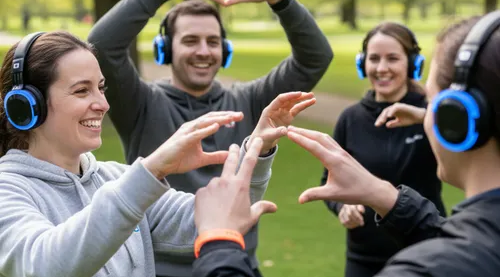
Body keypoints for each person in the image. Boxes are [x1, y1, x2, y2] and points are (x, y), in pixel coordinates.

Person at [189, 11, 500, 277]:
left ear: (456, 118)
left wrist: (219, 241)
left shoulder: (426, 268)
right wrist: (385, 197)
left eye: (433, 103)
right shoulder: (477, 246)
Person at [0, 30, 316, 277]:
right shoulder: (8, 190)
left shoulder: (115, 178)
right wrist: (151, 170)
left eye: (101, 87)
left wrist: (257, 150)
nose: (103, 104)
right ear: (26, 106)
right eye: (82, 90)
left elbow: (218, 217)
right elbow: (45, 265)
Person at [87, 0, 332, 275]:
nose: (203, 51)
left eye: (212, 42)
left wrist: (282, 1)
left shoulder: (253, 102)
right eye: (190, 41)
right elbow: (102, 47)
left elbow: (315, 57)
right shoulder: (140, 103)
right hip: (159, 268)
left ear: (224, 50)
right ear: (165, 49)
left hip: (234, 263)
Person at [319, 22, 445, 277]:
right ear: (362, 63)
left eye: (392, 59)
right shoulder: (350, 119)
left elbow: (474, 140)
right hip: (363, 258)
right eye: (374, 59)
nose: (381, 68)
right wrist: (342, 207)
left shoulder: (433, 113)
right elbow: (329, 181)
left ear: (412, 64)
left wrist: (424, 116)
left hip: (424, 252)